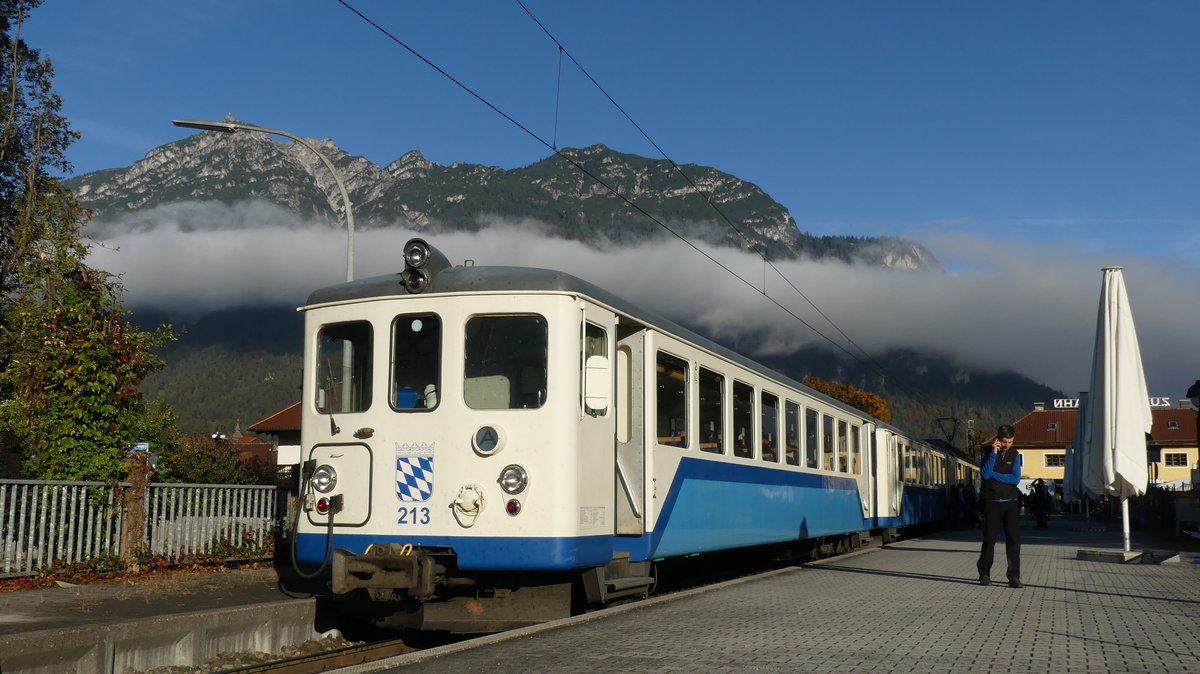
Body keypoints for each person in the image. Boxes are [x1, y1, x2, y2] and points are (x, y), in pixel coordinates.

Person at [976, 425, 1023, 588]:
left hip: (1010, 502)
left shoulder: (1015, 454)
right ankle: (984, 573)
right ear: (997, 439)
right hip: (991, 501)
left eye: (1010, 442)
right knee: (989, 540)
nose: (1007, 445)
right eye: (1004, 442)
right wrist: (994, 454)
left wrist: (995, 476)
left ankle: (1014, 577)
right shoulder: (987, 451)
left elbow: (1015, 479)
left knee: (1014, 541)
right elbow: (985, 474)